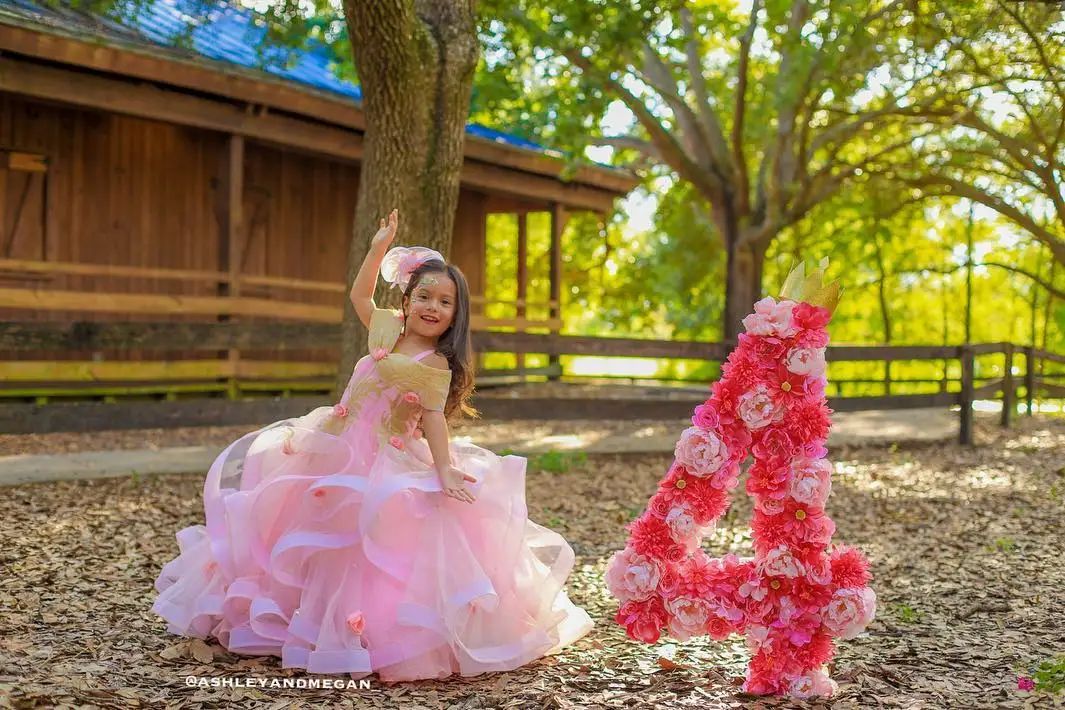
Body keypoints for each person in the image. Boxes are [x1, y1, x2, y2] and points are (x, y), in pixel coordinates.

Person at [152, 209, 593, 680]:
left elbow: (432, 420)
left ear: (454, 316)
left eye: (445, 302)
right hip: (334, 443)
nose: (432, 306)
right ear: (407, 299)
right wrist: (379, 246)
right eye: (424, 295)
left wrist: (443, 467)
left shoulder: (435, 364)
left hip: (383, 456)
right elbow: (359, 294)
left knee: (362, 542)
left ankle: (359, 630)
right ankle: (296, 617)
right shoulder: (386, 330)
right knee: (304, 528)